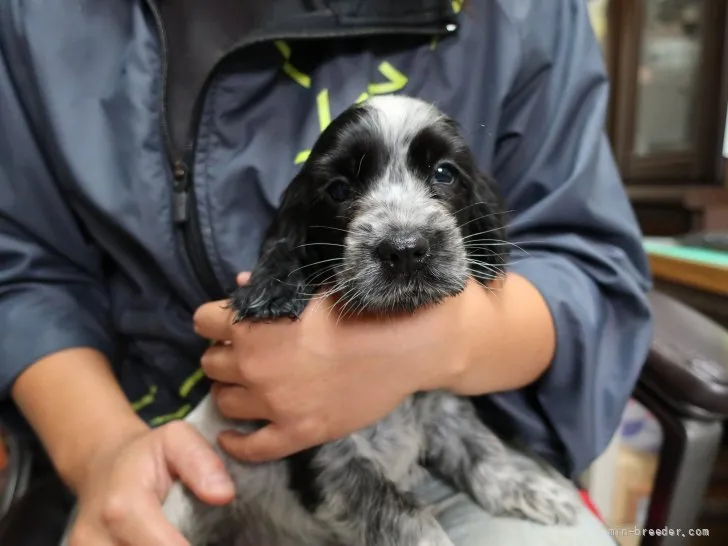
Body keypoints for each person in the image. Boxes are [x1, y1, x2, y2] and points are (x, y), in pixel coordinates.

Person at [0, 0, 652, 544]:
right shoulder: (41, 19)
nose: (401, 232)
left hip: (443, 447)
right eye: (343, 192)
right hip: (162, 467)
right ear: (308, 224)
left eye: (442, 174)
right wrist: (101, 452)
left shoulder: (524, 13)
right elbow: (23, 266)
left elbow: (587, 261)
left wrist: (448, 343)